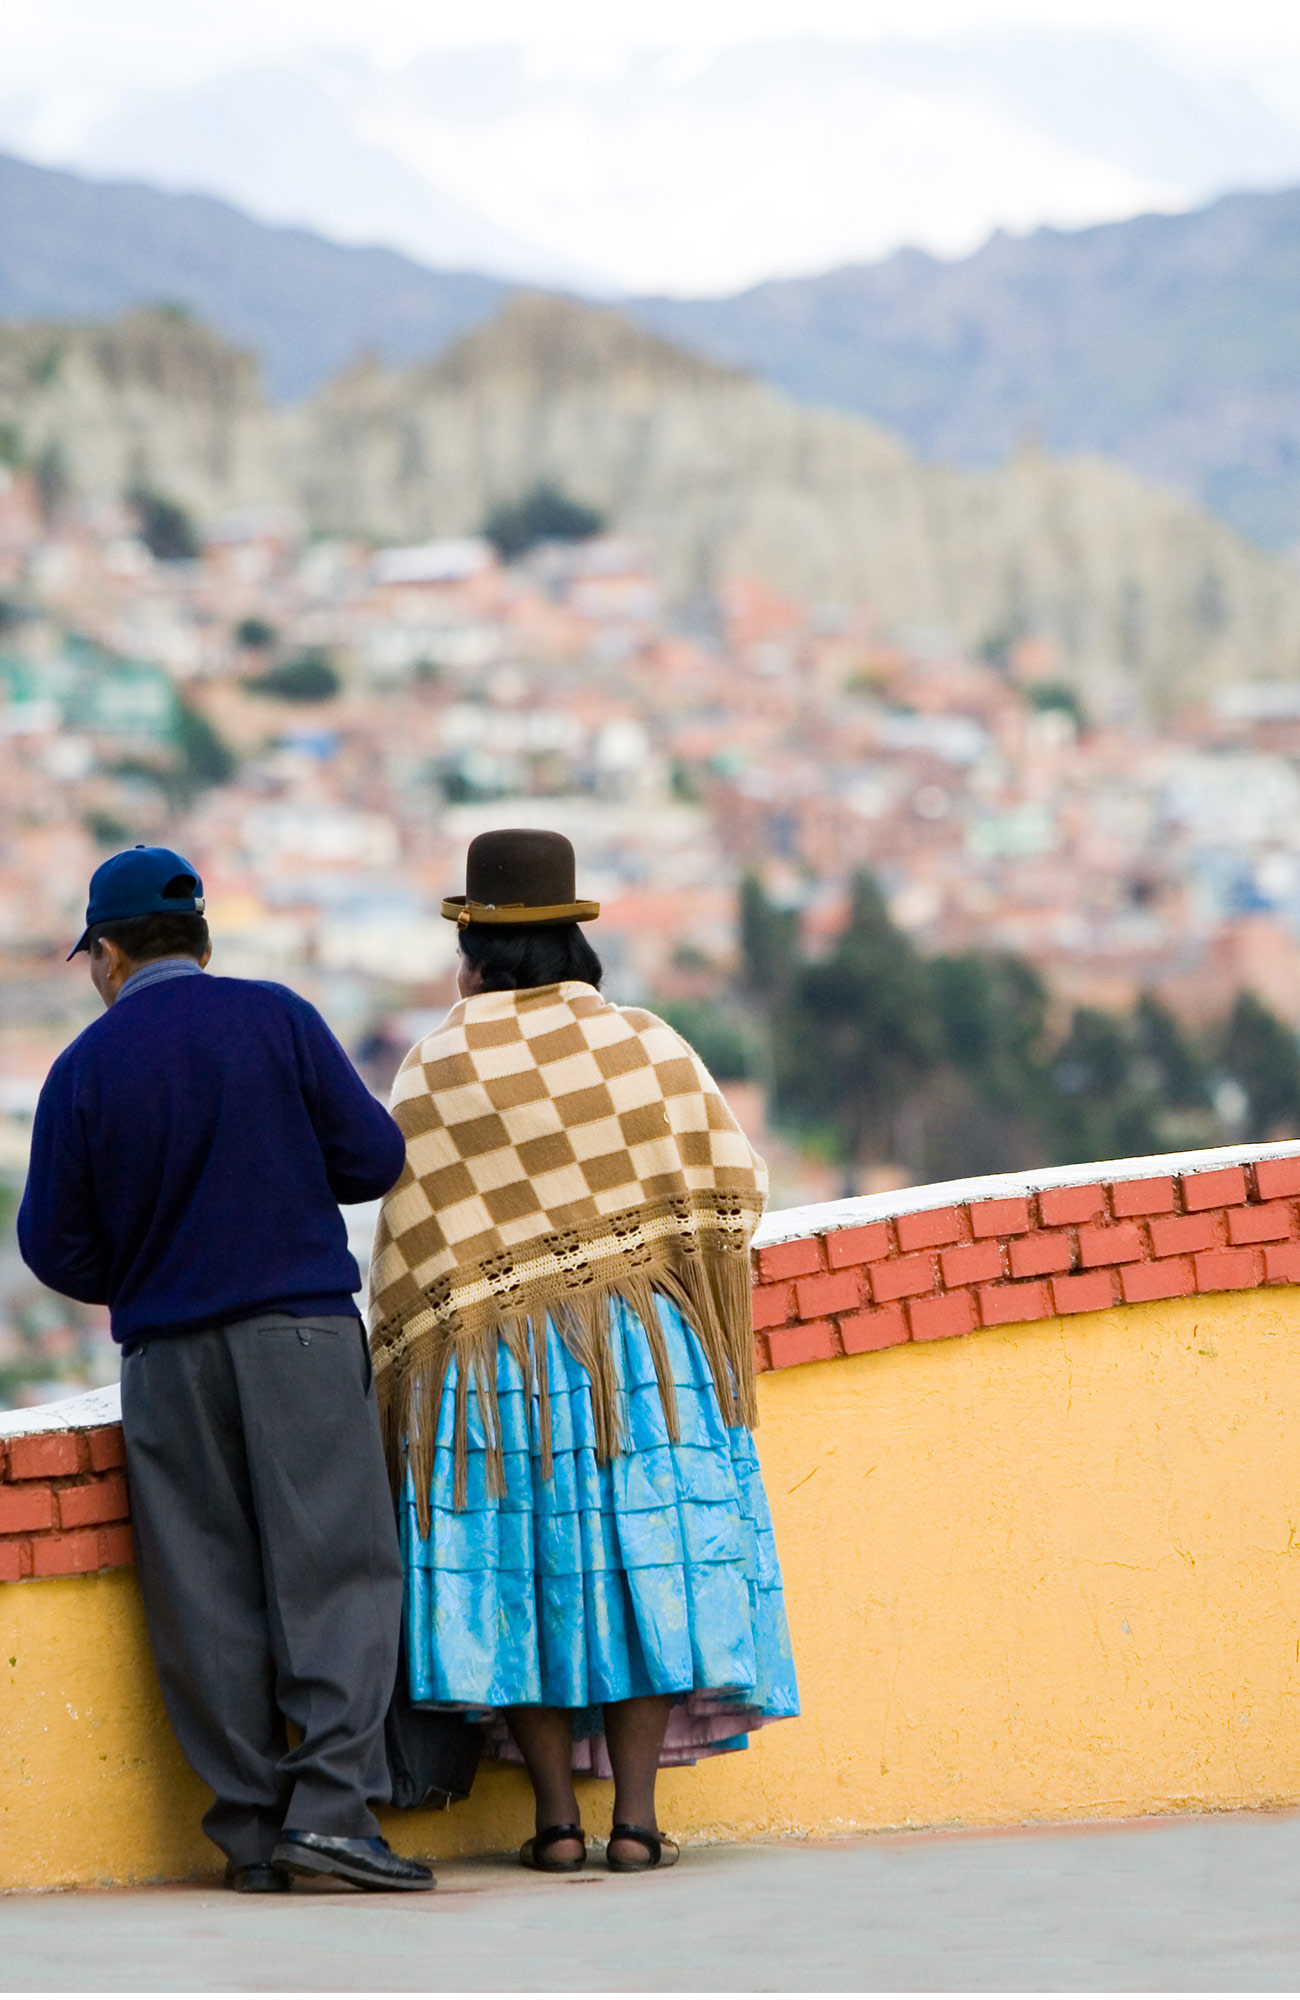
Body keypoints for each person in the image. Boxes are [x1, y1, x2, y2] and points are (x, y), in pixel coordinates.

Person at [369, 829, 799, 1873]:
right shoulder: (644, 1042)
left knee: (527, 1569)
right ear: (574, 936)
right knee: (643, 1565)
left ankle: (556, 1818)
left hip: (489, 1368)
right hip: (641, 1355)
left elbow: (407, 1246)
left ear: (475, 944)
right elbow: (734, 1185)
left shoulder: (439, 1064)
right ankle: (637, 1819)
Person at [18, 845, 433, 1895]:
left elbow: (50, 1245)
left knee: (202, 1590)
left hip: (165, 1357)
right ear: (201, 938)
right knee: (335, 1568)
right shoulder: (277, 1017)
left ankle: (251, 1832)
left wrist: (147, 1263)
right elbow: (374, 1159)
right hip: (296, 1332)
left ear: (107, 952)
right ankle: (333, 1814)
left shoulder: (81, 1069)